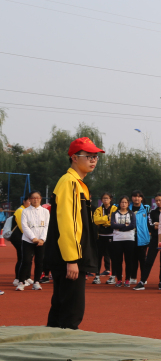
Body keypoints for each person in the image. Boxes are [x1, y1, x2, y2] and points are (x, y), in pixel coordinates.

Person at [45, 137, 103, 330]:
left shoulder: (77, 184)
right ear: (74, 158)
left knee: (62, 305)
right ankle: (65, 352)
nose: (93, 160)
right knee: (71, 310)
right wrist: (72, 259)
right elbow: (67, 223)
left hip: (71, 256)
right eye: (88, 156)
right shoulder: (69, 182)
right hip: (69, 257)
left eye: (95, 156)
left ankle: (52, 348)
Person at [18, 191, 49, 291]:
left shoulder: (45, 211)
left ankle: (36, 282)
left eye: (37, 198)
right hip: (28, 240)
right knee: (26, 261)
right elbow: (24, 226)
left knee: (39, 262)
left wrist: (42, 239)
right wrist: (33, 238)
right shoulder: (25, 211)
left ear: (40, 199)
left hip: (41, 241)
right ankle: (21, 281)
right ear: (30, 199)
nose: (35, 200)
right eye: (33, 198)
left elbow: (46, 226)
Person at [109, 195, 137, 288]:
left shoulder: (132, 214)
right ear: (119, 203)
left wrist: (119, 227)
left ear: (128, 203)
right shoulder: (114, 214)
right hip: (117, 240)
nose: (124, 204)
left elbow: (132, 225)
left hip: (129, 239)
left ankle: (127, 279)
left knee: (129, 260)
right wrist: (125, 225)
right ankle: (119, 279)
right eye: (122, 202)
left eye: (125, 202)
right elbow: (112, 225)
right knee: (118, 261)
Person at [91, 192, 116, 284]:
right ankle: (97, 276)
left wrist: (104, 220)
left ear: (110, 199)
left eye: (107, 198)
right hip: (101, 236)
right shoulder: (98, 209)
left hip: (112, 235)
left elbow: (113, 221)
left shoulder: (114, 209)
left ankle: (113, 276)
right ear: (101, 200)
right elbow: (96, 221)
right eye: (104, 198)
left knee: (113, 256)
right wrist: (106, 218)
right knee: (98, 256)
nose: (105, 200)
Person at [130, 191, 154, 286]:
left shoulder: (147, 208)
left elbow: (150, 221)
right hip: (130, 236)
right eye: (134, 196)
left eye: (139, 196)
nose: (136, 198)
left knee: (142, 258)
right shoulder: (128, 208)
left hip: (142, 237)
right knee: (132, 258)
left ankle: (143, 278)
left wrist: (150, 231)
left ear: (142, 198)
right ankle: (133, 277)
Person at [10, 195, 31, 286]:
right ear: (24, 201)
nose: (31, 203)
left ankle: (26, 277)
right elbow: (22, 226)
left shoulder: (27, 211)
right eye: (29, 201)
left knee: (27, 257)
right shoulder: (20, 210)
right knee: (22, 257)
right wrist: (30, 236)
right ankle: (18, 278)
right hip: (19, 237)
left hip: (25, 237)